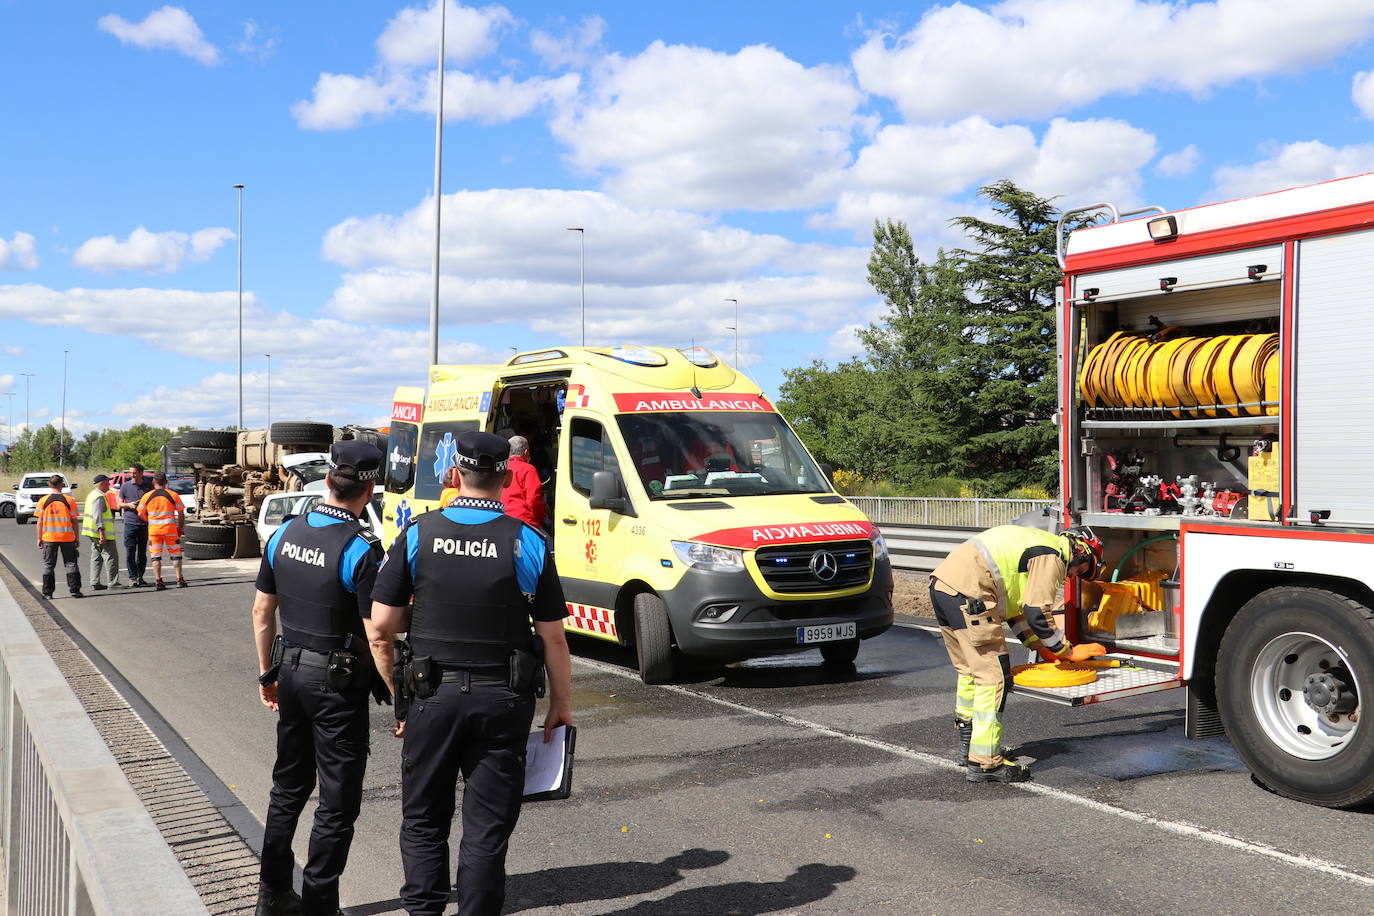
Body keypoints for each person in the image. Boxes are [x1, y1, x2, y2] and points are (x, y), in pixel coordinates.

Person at [369, 431, 574, 916]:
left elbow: (381, 622)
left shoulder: (419, 532)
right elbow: (553, 636)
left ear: (455, 475)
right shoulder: (528, 540)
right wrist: (561, 704)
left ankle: (423, 910)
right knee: (486, 827)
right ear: (506, 477)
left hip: (430, 695)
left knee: (423, 817)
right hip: (502, 697)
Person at [251, 441, 389, 916]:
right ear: (368, 489)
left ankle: (271, 894)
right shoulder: (361, 548)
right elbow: (378, 638)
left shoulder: (285, 533)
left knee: (287, 787)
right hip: (337, 683)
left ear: (328, 480)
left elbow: (261, 611)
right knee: (337, 798)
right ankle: (319, 903)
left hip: (289, 671)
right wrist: (398, 695)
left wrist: (267, 673)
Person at [928, 524, 1103, 783]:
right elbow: (1037, 612)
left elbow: (1016, 609)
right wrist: (1066, 651)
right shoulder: (1054, 555)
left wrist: (1041, 647)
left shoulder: (1036, 545)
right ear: (1080, 550)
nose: (1075, 575)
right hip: (972, 594)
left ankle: (971, 746)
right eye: (1081, 569)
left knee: (970, 670)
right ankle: (986, 763)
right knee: (993, 676)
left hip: (944, 587)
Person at [138, 473, 187, 591]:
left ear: (153, 483)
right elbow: (181, 513)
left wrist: (149, 520)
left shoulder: (147, 496)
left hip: (154, 531)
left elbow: (140, 513)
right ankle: (179, 579)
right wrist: (180, 527)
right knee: (176, 555)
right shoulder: (173, 495)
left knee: (155, 556)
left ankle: (158, 581)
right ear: (166, 482)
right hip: (170, 529)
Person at [36, 475, 82, 599]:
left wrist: (39, 538)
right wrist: (76, 538)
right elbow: (74, 521)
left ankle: (48, 593)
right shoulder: (69, 500)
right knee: (71, 563)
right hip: (67, 537)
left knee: (48, 565)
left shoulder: (43, 501)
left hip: (49, 538)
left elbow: (39, 522)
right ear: (61, 484)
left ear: (50, 485)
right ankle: (75, 590)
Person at [83, 474, 124, 590]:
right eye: (108, 482)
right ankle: (113, 582)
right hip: (101, 533)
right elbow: (98, 516)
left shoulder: (92, 495)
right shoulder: (99, 496)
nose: (109, 484)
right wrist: (102, 533)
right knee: (110, 557)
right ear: (102, 483)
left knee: (96, 557)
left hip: (92, 533)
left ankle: (95, 582)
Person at [118, 463, 153, 586]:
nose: (132, 475)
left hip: (144, 523)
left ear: (141, 473)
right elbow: (119, 504)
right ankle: (132, 577)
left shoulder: (148, 486)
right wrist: (129, 505)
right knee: (130, 551)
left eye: (134, 473)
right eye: (130, 472)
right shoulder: (125, 486)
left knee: (142, 553)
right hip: (130, 523)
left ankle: (140, 576)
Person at [501, 434, 547, 528]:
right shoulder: (528, 469)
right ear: (525, 452)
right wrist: (541, 517)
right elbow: (534, 500)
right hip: (524, 522)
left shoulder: (501, 468)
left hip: (501, 520)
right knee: (549, 541)